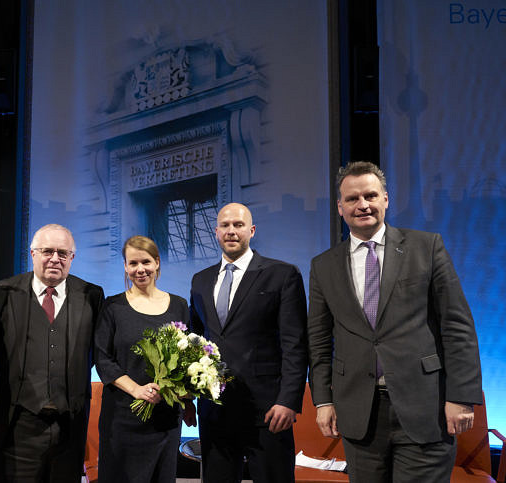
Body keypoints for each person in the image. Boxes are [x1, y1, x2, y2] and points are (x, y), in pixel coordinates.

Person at [307, 161, 483, 482]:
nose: (363, 205)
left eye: (371, 195)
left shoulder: (426, 247)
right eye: (352, 199)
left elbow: (458, 327)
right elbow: (318, 341)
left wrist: (460, 396)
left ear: (385, 199)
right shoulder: (323, 266)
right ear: (340, 207)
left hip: (425, 407)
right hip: (359, 414)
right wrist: (323, 400)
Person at [189, 202, 308, 483]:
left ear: (251, 231)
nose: (232, 231)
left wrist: (288, 400)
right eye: (226, 226)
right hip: (215, 411)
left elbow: (296, 343)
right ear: (216, 232)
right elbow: (195, 341)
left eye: (239, 225)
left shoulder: (282, 274)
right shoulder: (200, 280)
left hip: (268, 412)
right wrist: (188, 395)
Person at [0, 224, 104, 482]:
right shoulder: (1, 293)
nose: (55, 259)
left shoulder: (91, 295)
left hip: (70, 426)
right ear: (32, 253)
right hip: (17, 425)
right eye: (47, 251)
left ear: (72, 258)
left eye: (62, 253)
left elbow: (96, 352)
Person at [94, 235, 194, 483]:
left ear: (157, 263)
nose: (140, 270)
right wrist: (137, 390)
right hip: (122, 419)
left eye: (146, 262)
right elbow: (102, 358)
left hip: (166, 419)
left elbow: (189, 358)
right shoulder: (112, 306)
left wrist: (188, 397)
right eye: (133, 263)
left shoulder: (179, 306)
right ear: (125, 267)